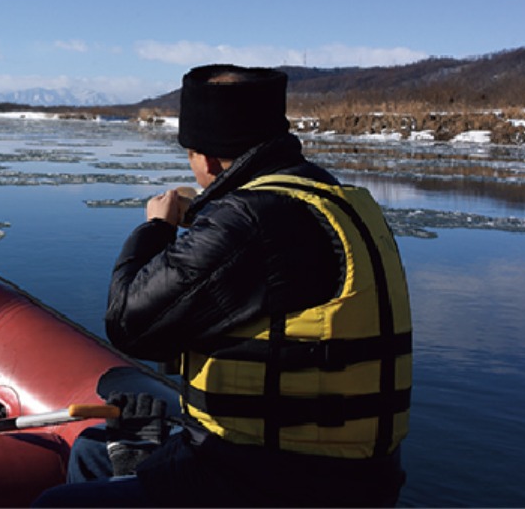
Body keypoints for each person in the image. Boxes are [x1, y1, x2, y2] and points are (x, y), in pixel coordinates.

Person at [36, 64, 412, 507]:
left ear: (208, 156)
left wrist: (156, 228)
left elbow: (129, 322)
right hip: (352, 476)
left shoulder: (250, 220)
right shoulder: (330, 198)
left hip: (268, 481)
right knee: (95, 451)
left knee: (56, 506)